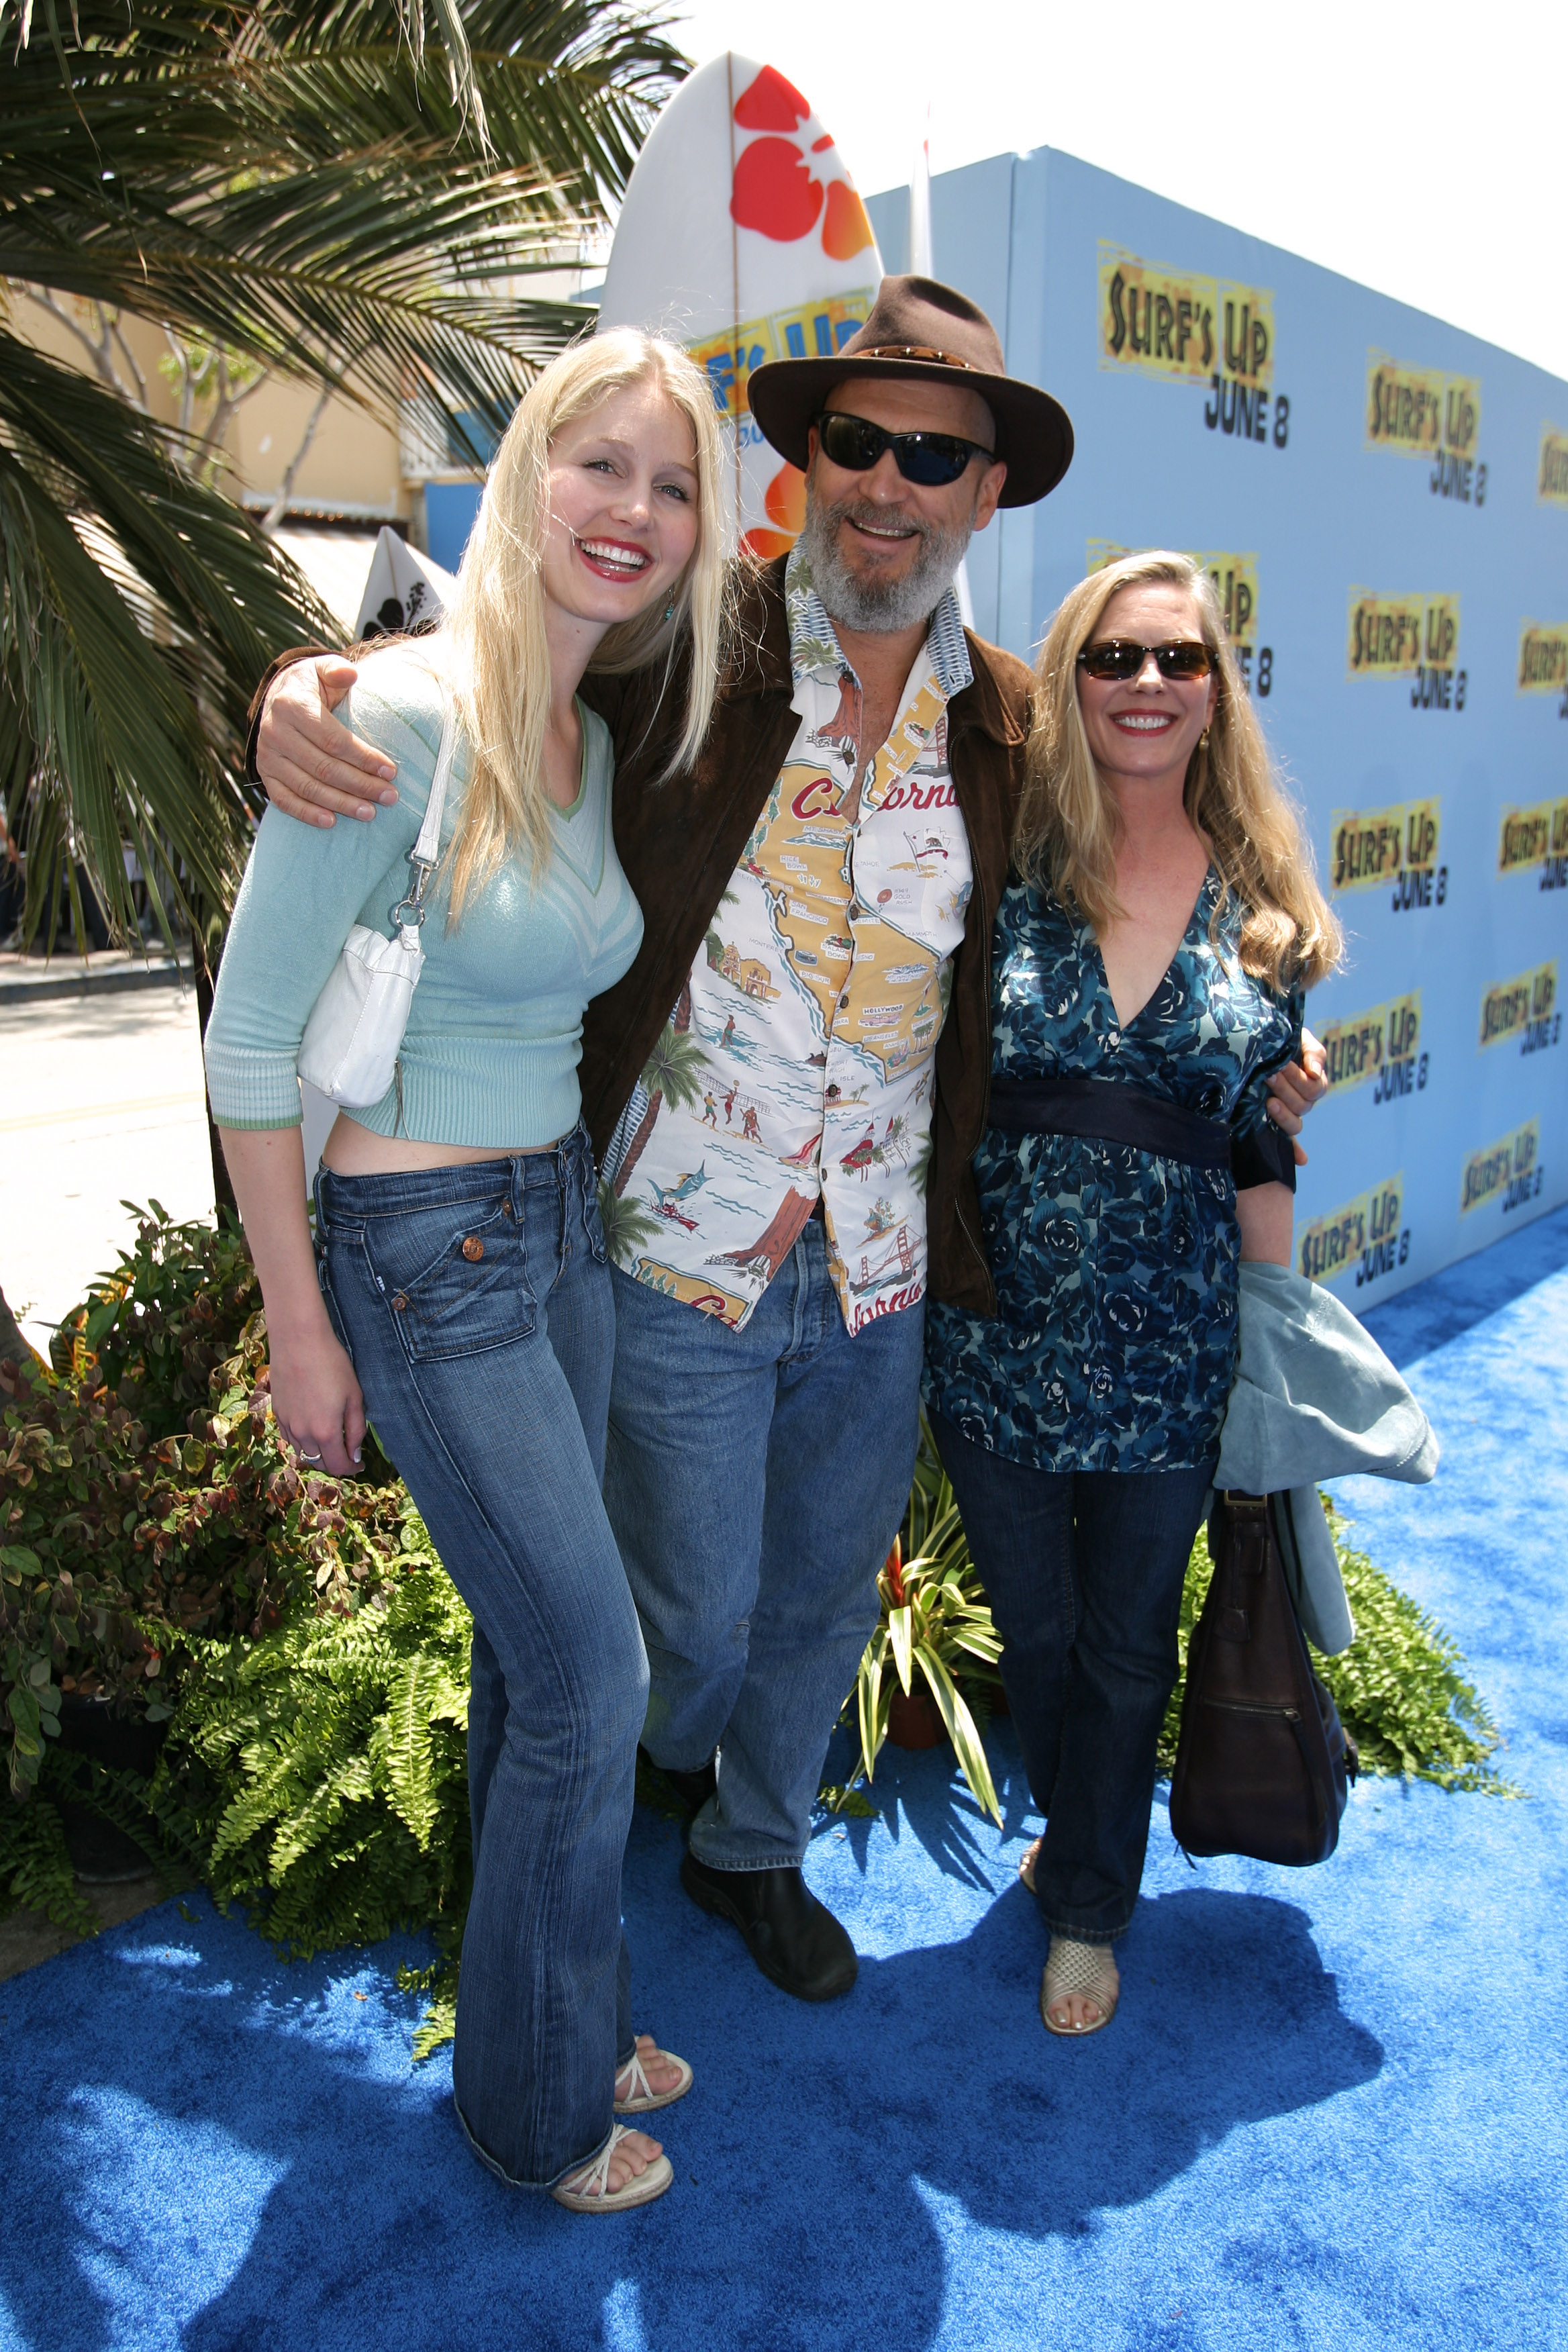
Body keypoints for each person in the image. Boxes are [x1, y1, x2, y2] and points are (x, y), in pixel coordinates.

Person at [248, 279, 1326, 2010]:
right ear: (806, 463)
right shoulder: (696, 647)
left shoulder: (1009, 726)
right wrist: (314, 683)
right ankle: (592, 1829)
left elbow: (1161, 830)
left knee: (820, 1610)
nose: (888, 485)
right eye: (856, 443)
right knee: (671, 1625)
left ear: (986, 497)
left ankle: (752, 1847)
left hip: (889, 1264)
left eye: (934, 454)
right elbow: (501, 659)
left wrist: (1259, 1034)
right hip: (677, 1238)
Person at [203, 329, 726, 2208]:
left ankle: (562, 2014)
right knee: (595, 1670)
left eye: (672, 487)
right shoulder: (395, 716)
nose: (635, 513)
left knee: (538, 1675)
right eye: (599, 465)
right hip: (427, 1255)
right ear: (520, 480)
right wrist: (295, 1316)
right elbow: (248, 1045)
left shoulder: (593, 738)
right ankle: (534, 2111)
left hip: (557, 1220)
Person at [922, 548, 1341, 2038]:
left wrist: (1272, 1351)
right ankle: (1077, 1815)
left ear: (1218, 692)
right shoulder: (998, 859)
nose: (1147, 685)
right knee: (1038, 1638)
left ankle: (1090, 1900)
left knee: (1127, 1641)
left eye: (1178, 660)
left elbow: (1258, 1145)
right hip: (993, 1341)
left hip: (1175, 1355)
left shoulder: (1264, 911)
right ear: (1070, 683)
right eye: (1113, 659)